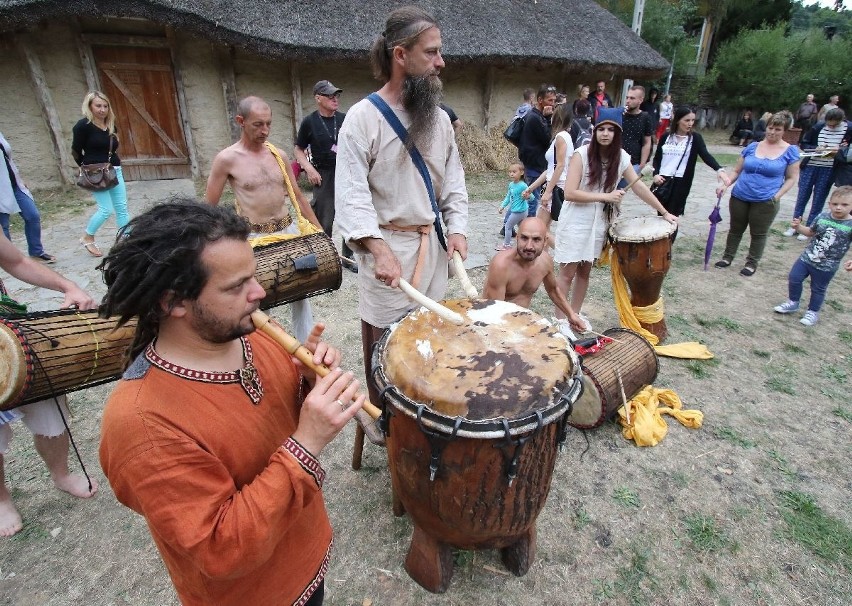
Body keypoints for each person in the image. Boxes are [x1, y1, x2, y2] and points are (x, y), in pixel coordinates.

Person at [98, 200, 363, 605]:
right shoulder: (141, 424)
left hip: (305, 557)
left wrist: (307, 384)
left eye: (252, 277)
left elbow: (272, 423)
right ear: (173, 302)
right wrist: (307, 442)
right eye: (236, 286)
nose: (259, 293)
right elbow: (220, 549)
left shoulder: (255, 334)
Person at [334, 5, 468, 417]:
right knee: (387, 347)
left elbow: (455, 183)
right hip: (389, 253)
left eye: (439, 52)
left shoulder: (440, 121)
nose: (440, 62)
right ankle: (388, 425)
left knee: (431, 339)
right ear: (400, 55)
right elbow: (352, 195)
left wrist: (459, 229)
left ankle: (427, 413)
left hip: (433, 252)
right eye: (431, 53)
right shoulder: (362, 119)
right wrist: (377, 249)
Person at [0, 236, 98, 537]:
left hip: (7, 330)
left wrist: (68, 286)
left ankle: (61, 474)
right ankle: (1, 500)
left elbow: (16, 261)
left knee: (49, 411)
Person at [206, 95, 322, 342]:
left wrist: (319, 232)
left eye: (268, 123)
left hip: (288, 230)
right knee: (257, 298)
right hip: (254, 238)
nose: (265, 130)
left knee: (301, 292)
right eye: (258, 124)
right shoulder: (227, 159)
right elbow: (209, 208)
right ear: (241, 121)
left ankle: (307, 350)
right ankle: (261, 351)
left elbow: (298, 197)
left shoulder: (277, 154)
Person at [554, 108, 677, 327]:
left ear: (617, 133)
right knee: (567, 273)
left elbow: (638, 186)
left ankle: (576, 315)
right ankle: (560, 321)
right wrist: (606, 196)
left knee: (585, 271)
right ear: (595, 130)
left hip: (599, 222)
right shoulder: (581, 154)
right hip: (576, 220)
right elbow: (570, 193)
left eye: (611, 129)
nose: (606, 133)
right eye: (602, 128)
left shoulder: (621, 158)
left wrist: (664, 212)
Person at [715, 111, 801, 276]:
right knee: (735, 229)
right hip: (740, 196)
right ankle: (727, 257)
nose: (772, 132)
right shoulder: (752, 146)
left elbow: (792, 178)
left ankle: (751, 263)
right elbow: (737, 170)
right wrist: (726, 185)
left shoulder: (790, 151)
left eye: (777, 129)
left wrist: (777, 196)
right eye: (770, 127)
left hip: (765, 200)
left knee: (758, 233)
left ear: (784, 131)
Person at [483, 217, 585, 335]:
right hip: (493, 325)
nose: (529, 246)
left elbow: (553, 290)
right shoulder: (501, 265)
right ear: (517, 238)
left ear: (545, 241)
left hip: (520, 322)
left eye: (536, 239)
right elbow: (494, 312)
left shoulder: (545, 262)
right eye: (524, 238)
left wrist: (571, 315)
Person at [294, 80, 356, 271]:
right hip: (323, 174)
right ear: (318, 98)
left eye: (336, 95)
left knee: (350, 215)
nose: (335, 99)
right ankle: (325, 257)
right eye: (330, 96)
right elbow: (298, 149)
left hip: (346, 172)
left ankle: (348, 257)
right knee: (324, 217)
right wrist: (309, 168)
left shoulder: (346, 119)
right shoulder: (309, 122)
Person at [774, 186, 852, 327]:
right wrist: (798, 227)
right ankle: (793, 302)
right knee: (794, 278)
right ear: (830, 204)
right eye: (835, 204)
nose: (839, 208)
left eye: (844, 204)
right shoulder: (822, 217)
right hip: (807, 258)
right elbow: (810, 232)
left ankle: (813, 312)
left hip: (827, 266)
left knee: (818, 289)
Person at [72, 91, 129, 258]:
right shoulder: (83, 126)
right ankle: (87, 236)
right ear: (90, 106)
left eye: (105, 106)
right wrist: (86, 167)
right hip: (95, 172)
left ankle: (127, 240)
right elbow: (75, 151)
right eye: (98, 106)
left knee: (122, 208)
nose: (102, 109)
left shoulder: (111, 125)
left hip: (114, 169)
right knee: (105, 209)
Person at [651, 106, 730, 219]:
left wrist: (719, 169)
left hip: (681, 181)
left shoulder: (695, 138)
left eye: (693, 120)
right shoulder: (666, 137)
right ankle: (661, 236)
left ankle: (671, 237)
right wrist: (656, 174)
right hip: (663, 180)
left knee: (673, 214)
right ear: (678, 120)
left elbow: (705, 155)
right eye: (687, 120)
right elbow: (657, 158)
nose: (690, 123)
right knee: (661, 213)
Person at [786, 108, 851, 240]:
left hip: (828, 168)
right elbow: (804, 143)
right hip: (811, 165)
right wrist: (815, 148)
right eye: (829, 124)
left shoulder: (849, 129)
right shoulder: (819, 126)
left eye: (834, 124)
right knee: (802, 196)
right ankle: (795, 225)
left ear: (841, 121)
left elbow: (847, 153)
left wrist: (837, 151)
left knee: (819, 199)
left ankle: (810, 228)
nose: (830, 127)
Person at [0, 132, 55, 263]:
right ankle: (8, 259)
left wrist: (19, 179)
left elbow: (8, 160)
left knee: (32, 215)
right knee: (4, 225)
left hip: (14, 185)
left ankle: (36, 252)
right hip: (1, 189)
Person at [523, 104, 575, 234]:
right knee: (544, 228)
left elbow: (560, 166)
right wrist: (531, 188)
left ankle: (560, 252)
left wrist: (548, 192)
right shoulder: (563, 137)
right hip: (555, 183)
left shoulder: (561, 137)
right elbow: (550, 170)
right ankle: (546, 254)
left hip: (556, 186)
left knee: (539, 230)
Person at [517, 83, 557, 217]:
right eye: (550, 100)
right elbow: (548, 138)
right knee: (532, 200)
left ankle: (507, 226)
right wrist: (548, 118)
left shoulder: (537, 116)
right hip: (534, 164)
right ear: (540, 100)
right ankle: (528, 229)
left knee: (528, 196)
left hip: (535, 163)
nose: (553, 103)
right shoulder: (535, 117)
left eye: (554, 100)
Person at [619, 85, 654, 187]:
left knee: (620, 190)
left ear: (640, 100)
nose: (628, 101)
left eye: (632, 98)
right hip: (615, 160)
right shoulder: (620, 114)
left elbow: (647, 142)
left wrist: (642, 164)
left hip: (634, 162)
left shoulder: (645, 117)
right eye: (627, 97)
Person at [498, 163, 528, 249]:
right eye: (510, 172)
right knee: (522, 228)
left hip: (519, 211)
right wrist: (502, 206)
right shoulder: (511, 184)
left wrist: (527, 196)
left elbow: (532, 197)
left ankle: (506, 245)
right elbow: (508, 196)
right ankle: (524, 244)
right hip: (516, 210)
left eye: (514, 172)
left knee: (508, 226)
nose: (511, 174)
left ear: (521, 172)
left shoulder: (523, 185)